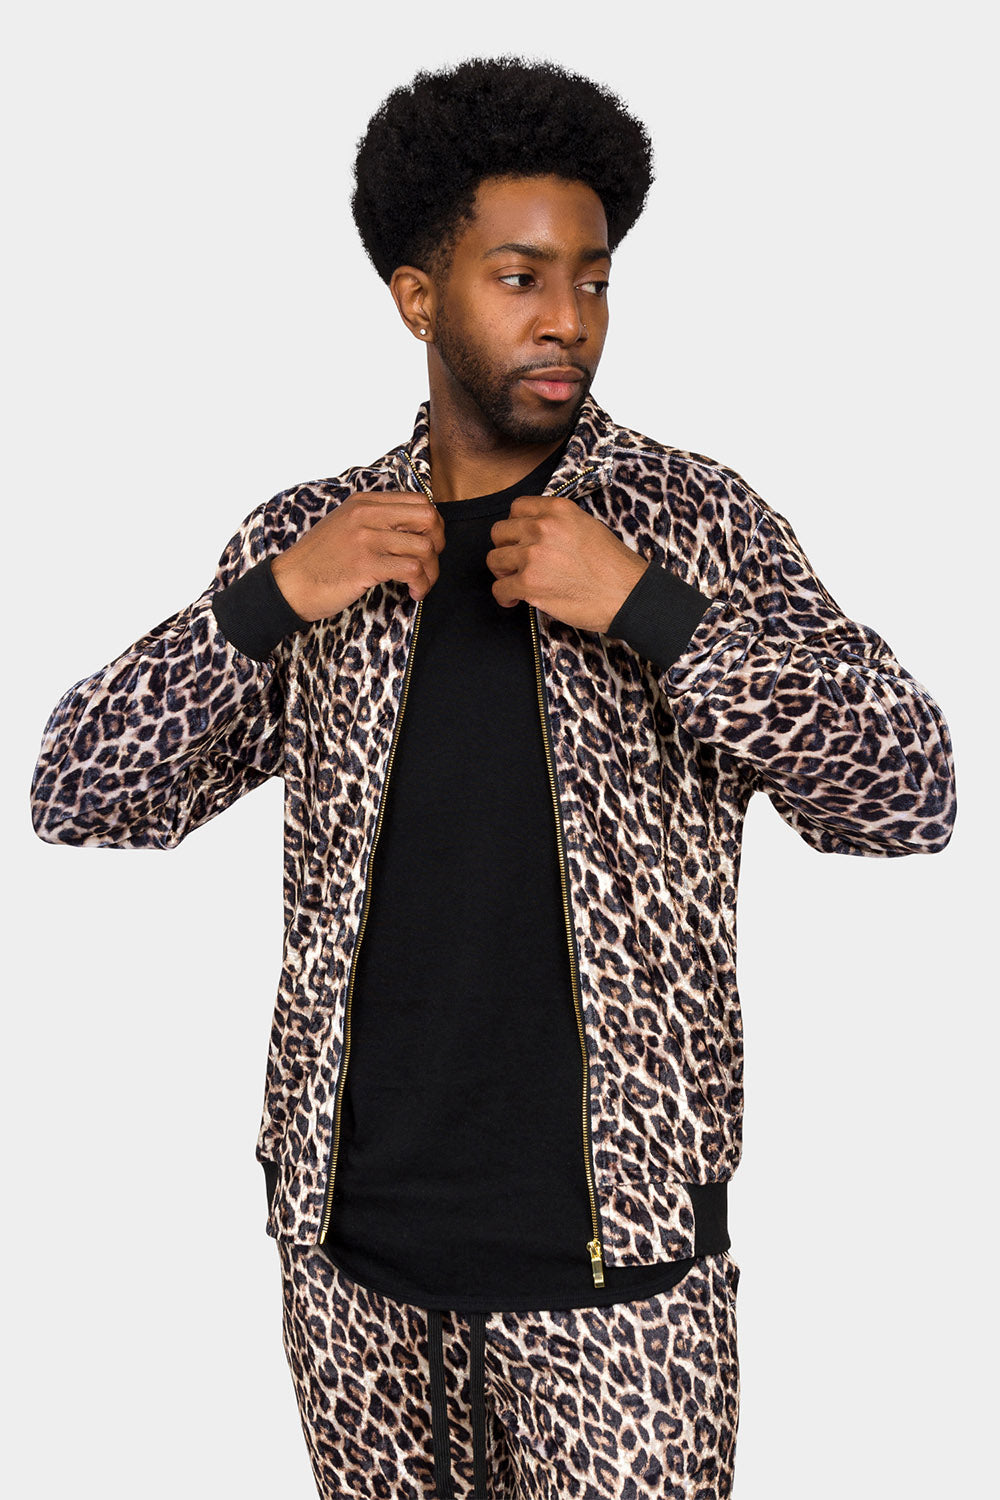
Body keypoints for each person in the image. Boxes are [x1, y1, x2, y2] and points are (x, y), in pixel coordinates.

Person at [30, 54, 957, 1500]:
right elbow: (81, 791)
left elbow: (906, 790)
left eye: (593, 280)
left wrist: (650, 611)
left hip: (622, 1277)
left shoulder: (689, 524)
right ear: (420, 297)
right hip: (351, 1269)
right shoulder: (321, 541)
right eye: (521, 277)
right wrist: (274, 599)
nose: (567, 318)